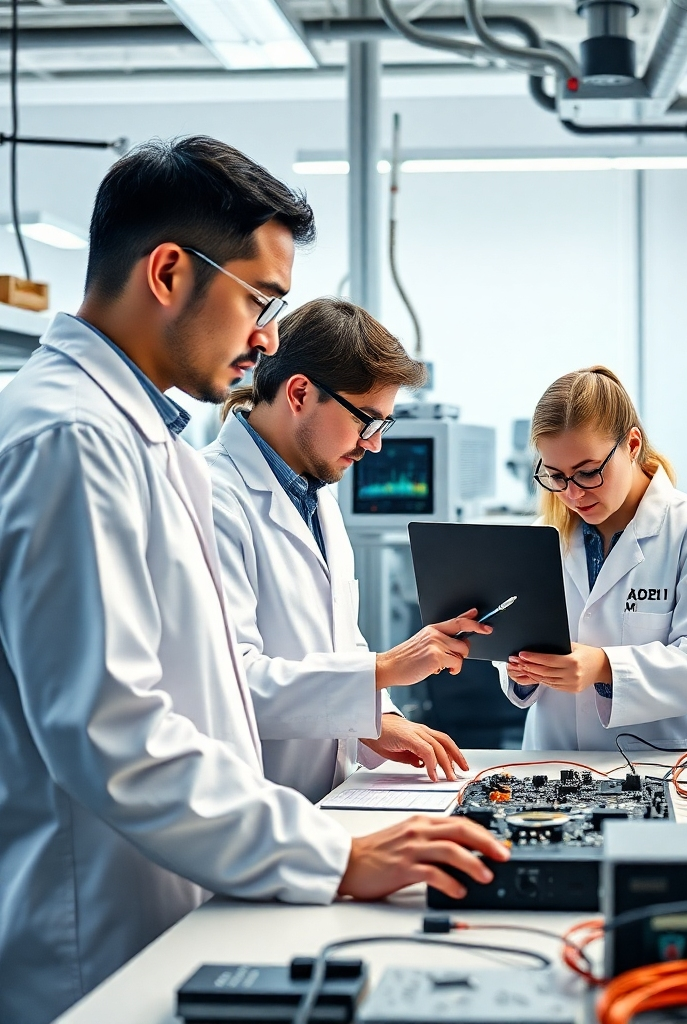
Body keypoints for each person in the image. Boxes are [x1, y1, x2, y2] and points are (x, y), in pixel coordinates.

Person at [0, 136, 506, 1024]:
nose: (266, 336)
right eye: (259, 299)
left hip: (185, 893)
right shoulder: (70, 440)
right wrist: (332, 856)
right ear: (168, 272)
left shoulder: (146, 445)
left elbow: (210, 689)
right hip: (96, 934)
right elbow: (110, 726)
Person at [203, 297, 485, 802]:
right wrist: (385, 669)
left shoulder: (317, 497)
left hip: (326, 801)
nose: (374, 445)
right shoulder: (210, 497)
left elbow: (338, 641)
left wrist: (380, 720)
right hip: (250, 808)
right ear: (300, 393)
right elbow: (229, 682)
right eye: (366, 420)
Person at [499, 365, 687, 750]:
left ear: (632, 445)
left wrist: (603, 667)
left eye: (588, 472)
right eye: (556, 476)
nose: (574, 494)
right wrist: (522, 671)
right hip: (554, 758)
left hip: (662, 761)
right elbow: (511, 650)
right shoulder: (539, 538)